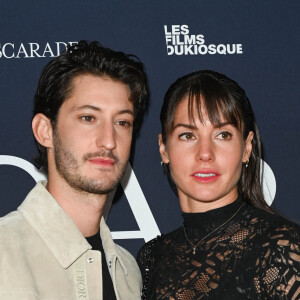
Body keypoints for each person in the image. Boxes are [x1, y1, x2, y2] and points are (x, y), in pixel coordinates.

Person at [0, 40, 148, 299]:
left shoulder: (129, 274)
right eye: (88, 118)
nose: (109, 140)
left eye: (122, 122)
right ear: (45, 131)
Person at [137, 70, 300, 299]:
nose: (205, 154)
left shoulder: (282, 248)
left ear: (247, 148)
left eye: (222, 135)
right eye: (187, 135)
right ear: (164, 148)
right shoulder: (152, 257)